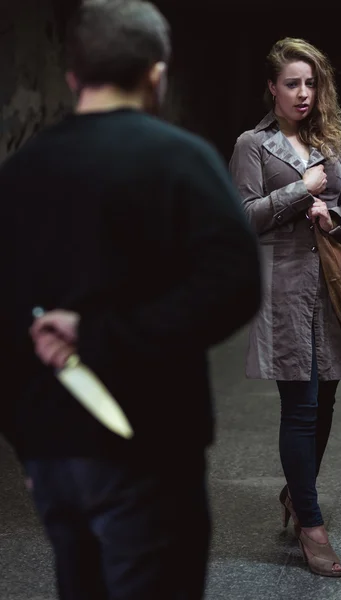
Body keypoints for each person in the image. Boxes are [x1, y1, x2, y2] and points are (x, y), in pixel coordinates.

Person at [0, 1, 261, 598]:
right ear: (155, 73)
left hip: (53, 453)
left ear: (73, 76)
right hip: (151, 443)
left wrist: (28, 442)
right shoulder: (181, 158)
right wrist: (101, 334)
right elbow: (234, 284)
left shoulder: (19, 174)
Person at [229, 37, 341, 578]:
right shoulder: (252, 144)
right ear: (272, 88)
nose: (304, 93)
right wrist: (298, 192)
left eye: (311, 83)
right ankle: (311, 525)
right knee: (302, 404)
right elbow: (241, 217)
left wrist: (334, 218)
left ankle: (296, 493)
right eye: (293, 83)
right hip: (285, 289)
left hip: (332, 290)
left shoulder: (332, 141)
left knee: (327, 399)